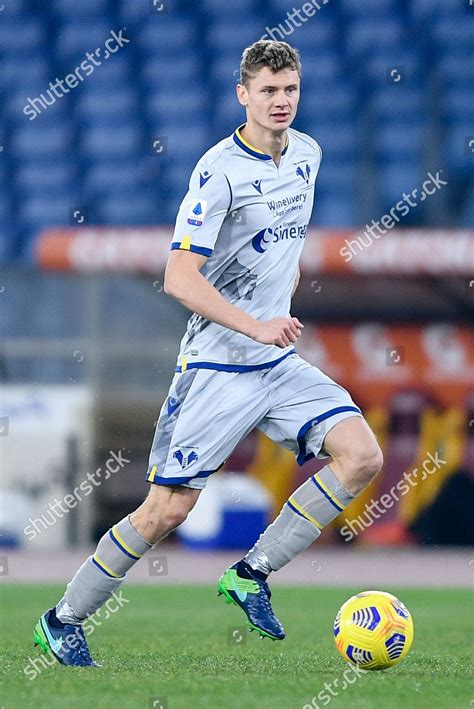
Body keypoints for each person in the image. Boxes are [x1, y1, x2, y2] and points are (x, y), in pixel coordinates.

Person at [33, 39, 383, 665]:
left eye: (290, 90)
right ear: (242, 95)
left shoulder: (308, 154)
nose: (281, 101)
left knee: (360, 456)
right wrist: (255, 324)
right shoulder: (217, 172)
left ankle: (251, 573)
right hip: (219, 364)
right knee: (168, 509)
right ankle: (63, 618)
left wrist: (273, 316)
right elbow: (179, 278)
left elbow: (279, 246)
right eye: (268, 91)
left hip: (275, 362)